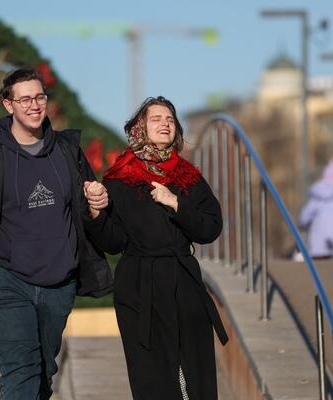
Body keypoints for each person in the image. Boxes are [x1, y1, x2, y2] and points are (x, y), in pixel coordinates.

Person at [0, 67, 112, 400]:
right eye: (24, 98)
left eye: (39, 97)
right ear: (7, 104)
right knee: (21, 369)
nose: (34, 105)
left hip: (59, 281)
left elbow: (89, 213)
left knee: (44, 371)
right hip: (5, 281)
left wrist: (97, 204)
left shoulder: (67, 152)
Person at [83, 96, 228, 399]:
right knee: (152, 379)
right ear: (140, 128)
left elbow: (211, 227)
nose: (165, 123)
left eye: (170, 119)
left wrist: (176, 203)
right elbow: (113, 241)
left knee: (195, 375)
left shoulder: (189, 178)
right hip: (139, 289)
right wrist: (96, 212)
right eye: (156, 118)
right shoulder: (120, 179)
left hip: (184, 283)